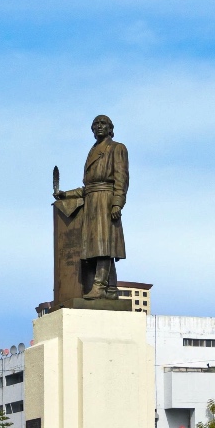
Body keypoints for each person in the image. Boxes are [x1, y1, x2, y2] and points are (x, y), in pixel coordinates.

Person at [55, 114, 128, 299]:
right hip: (92, 202)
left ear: (110, 127)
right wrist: (65, 194)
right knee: (97, 245)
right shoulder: (92, 151)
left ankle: (99, 285)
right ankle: (111, 289)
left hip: (105, 200)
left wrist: (117, 203)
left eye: (103, 123)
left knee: (104, 245)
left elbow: (122, 179)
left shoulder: (117, 148)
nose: (99, 126)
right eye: (96, 124)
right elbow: (87, 189)